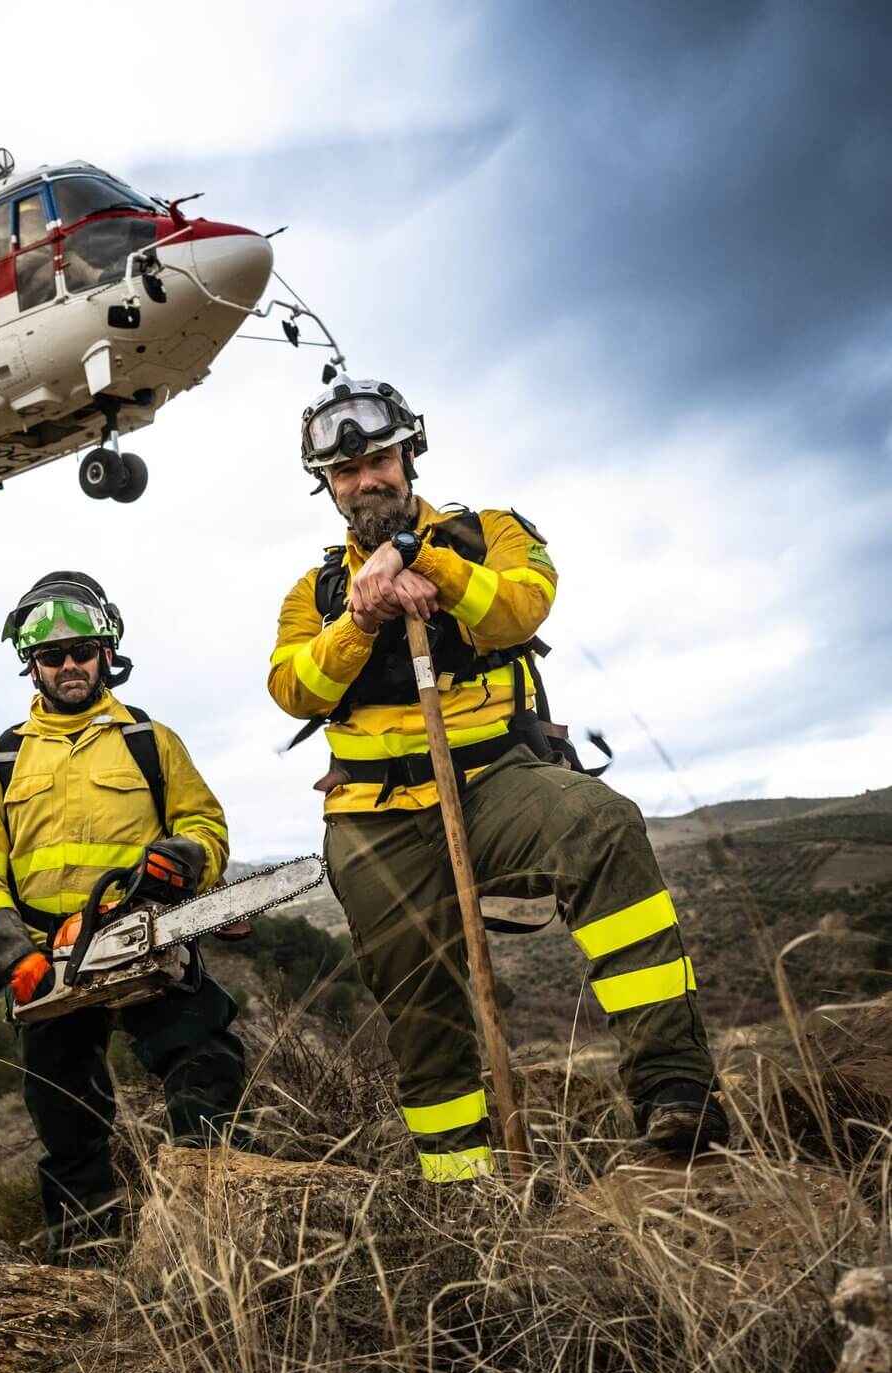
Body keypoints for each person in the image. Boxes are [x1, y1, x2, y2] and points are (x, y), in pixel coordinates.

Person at [267, 374, 723, 1180]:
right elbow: (291, 687)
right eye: (345, 472)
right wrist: (362, 616)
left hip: (495, 780)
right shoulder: (314, 594)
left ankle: (673, 1090)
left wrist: (424, 562)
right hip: (372, 816)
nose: (367, 479)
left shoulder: (496, 532)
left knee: (600, 825)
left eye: (379, 458)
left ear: (409, 453)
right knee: (417, 1006)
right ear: (327, 487)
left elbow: (520, 607)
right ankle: (463, 1190)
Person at [0, 572, 241, 1257]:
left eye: (81, 649)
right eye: (52, 656)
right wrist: (8, 949)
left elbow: (206, 823)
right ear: (31, 664)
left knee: (204, 1057)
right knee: (65, 1115)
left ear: (105, 652)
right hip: (49, 956)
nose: (68, 665)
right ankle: (84, 1255)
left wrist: (187, 856)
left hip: (142, 929)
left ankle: (218, 1223)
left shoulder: (148, 740)